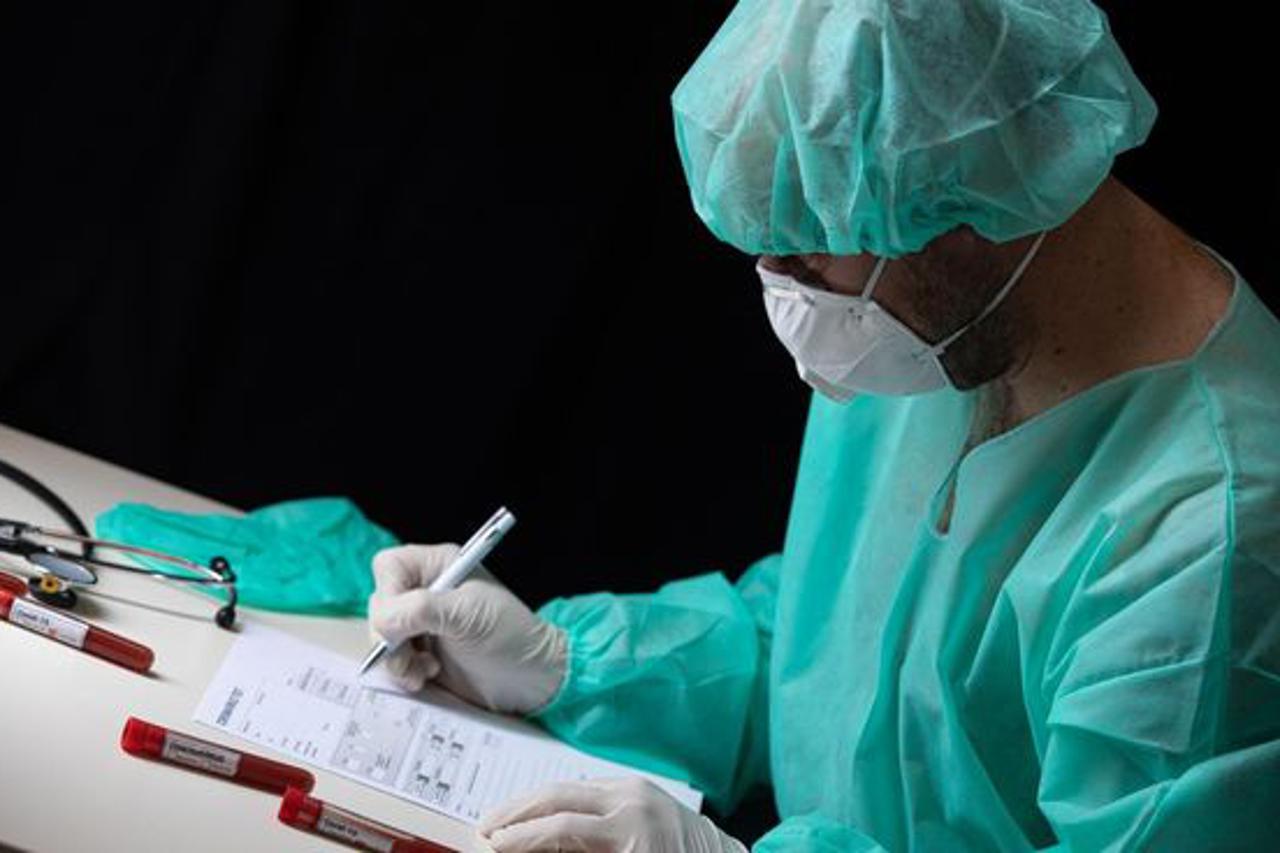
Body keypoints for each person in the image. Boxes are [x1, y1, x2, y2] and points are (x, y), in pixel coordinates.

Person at [369, 0, 1280, 849]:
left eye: (806, 253)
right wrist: (571, 665)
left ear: (962, 206)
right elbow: (843, 662)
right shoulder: (952, 325)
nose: (788, 293)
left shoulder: (1213, 539)